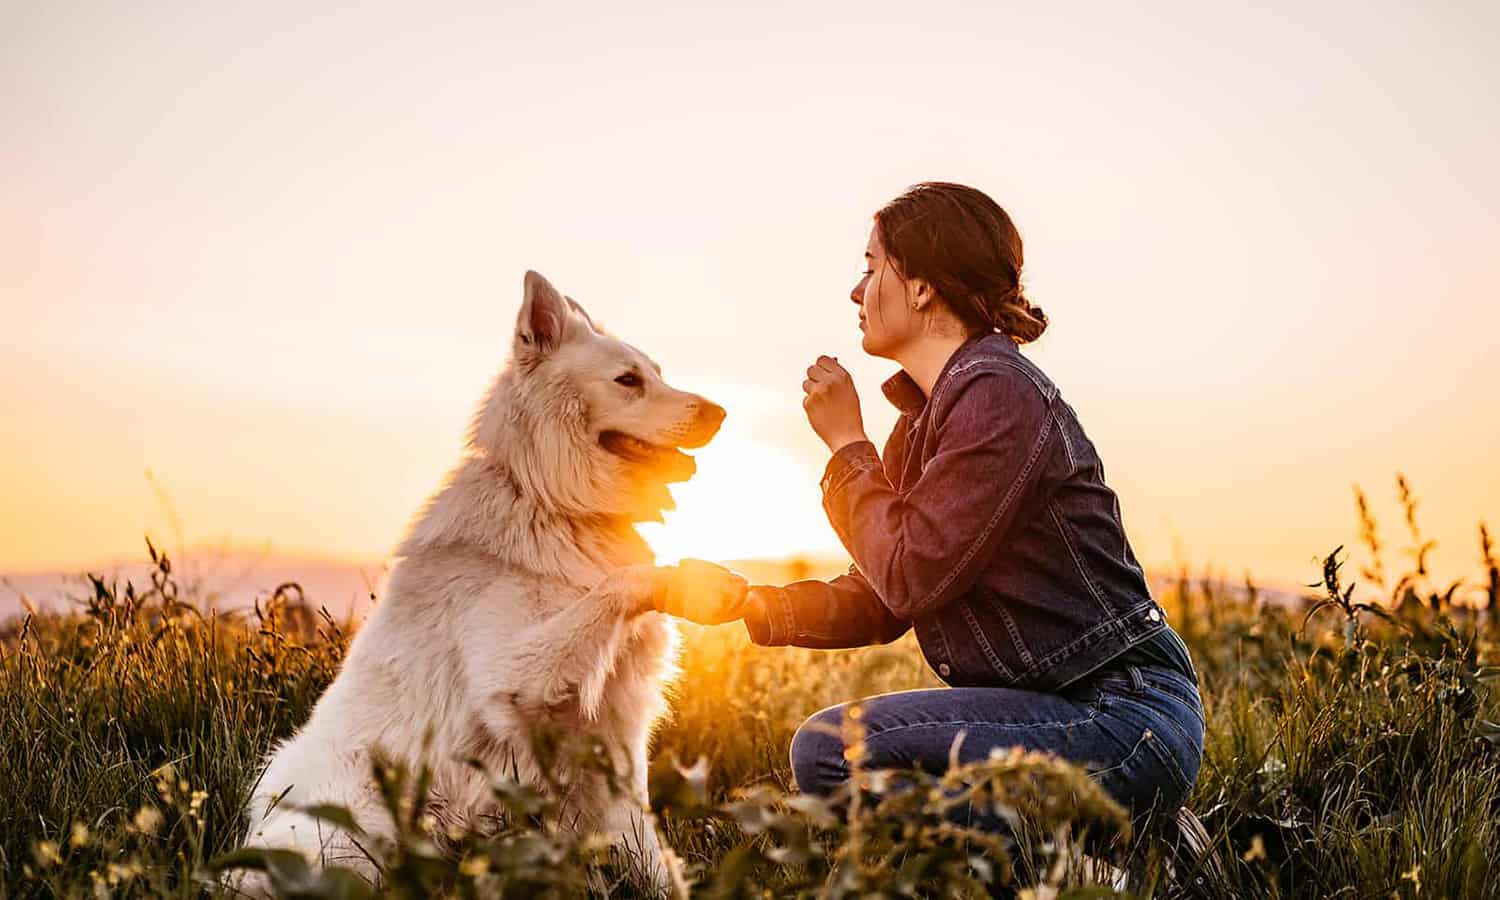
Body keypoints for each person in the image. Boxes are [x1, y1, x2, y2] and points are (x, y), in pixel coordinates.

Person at [680, 182, 1204, 847]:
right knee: (831, 758)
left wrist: (847, 446)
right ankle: (1111, 848)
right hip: (1057, 713)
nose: (855, 290)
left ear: (923, 286)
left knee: (830, 752)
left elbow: (910, 575)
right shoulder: (927, 422)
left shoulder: (999, 394)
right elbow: (880, 598)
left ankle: (1118, 843)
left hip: (1123, 719)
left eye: (872, 267)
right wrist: (748, 603)